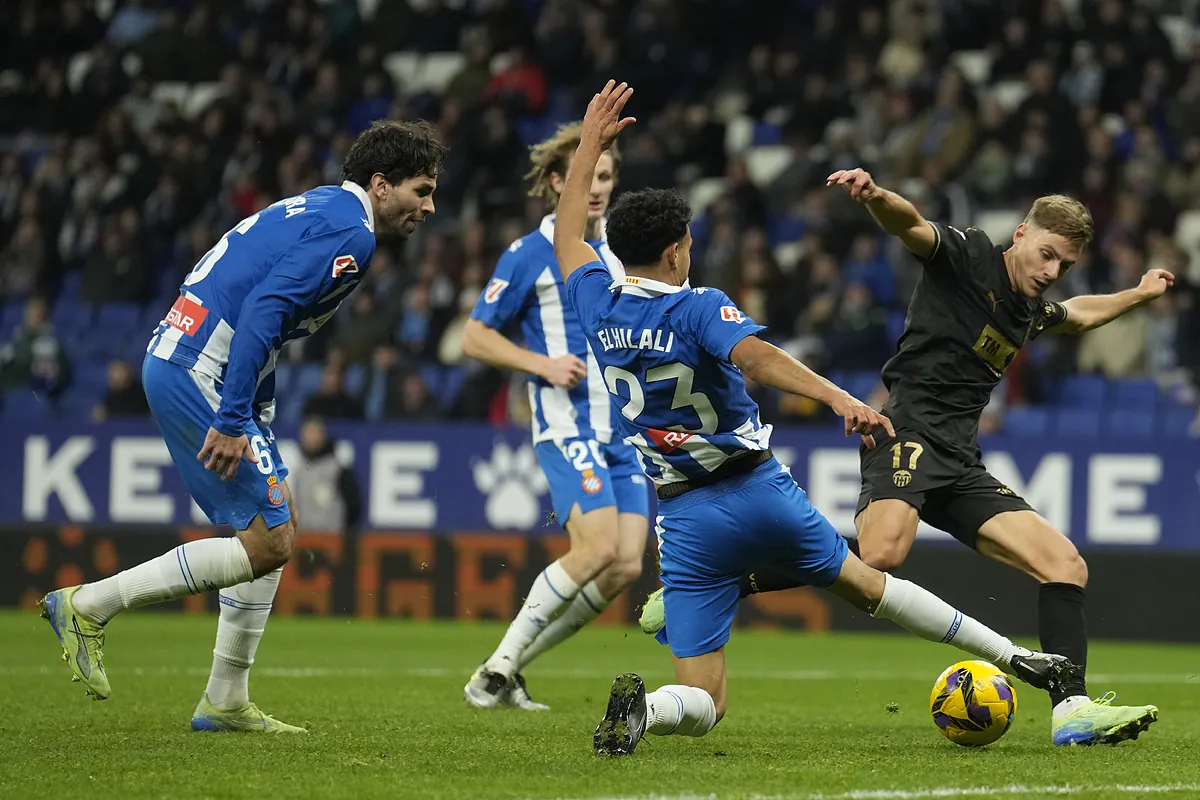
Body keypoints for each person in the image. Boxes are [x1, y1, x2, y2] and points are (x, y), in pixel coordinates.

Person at [557, 81, 1073, 758]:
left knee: (705, 702)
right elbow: (759, 357)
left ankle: (648, 710)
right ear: (678, 252)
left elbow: (569, 231)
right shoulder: (696, 305)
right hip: (756, 491)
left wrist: (590, 139)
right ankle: (1017, 658)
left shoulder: (594, 302)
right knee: (873, 587)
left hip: (682, 518)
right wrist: (839, 398)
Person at [640, 168, 1167, 747]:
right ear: (1020, 234)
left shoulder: (1027, 308)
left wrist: (1139, 294)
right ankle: (728, 582)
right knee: (881, 555)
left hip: (960, 460)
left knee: (1065, 564)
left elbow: (1081, 313)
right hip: (906, 434)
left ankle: (1072, 711)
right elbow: (912, 226)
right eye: (1045, 255)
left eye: (1063, 266)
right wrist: (875, 198)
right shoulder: (969, 256)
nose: (1050, 273)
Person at [39, 120, 444, 732]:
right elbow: (263, 310)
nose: (430, 207)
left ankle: (225, 699)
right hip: (202, 370)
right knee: (272, 540)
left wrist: (255, 406)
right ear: (381, 185)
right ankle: (88, 604)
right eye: (421, 190)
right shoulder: (351, 233)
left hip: (195, 358)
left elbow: (249, 295)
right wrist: (233, 416)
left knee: (275, 530)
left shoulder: (322, 207)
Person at [460, 121, 650, 711]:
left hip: (622, 432)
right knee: (594, 549)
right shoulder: (529, 254)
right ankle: (498, 667)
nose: (595, 188)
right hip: (568, 426)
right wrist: (540, 364)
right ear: (554, 183)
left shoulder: (616, 255)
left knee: (624, 565)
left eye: (604, 176)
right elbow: (473, 336)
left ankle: (509, 667)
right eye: (583, 177)